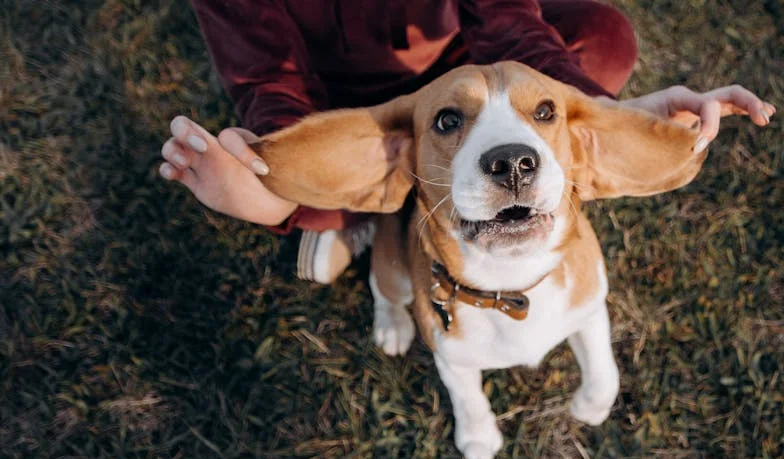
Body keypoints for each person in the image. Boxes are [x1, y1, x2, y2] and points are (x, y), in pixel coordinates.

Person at [159, 0, 775, 283]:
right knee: (297, 158)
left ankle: (527, 159)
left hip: (474, 71)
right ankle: (348, 219)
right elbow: (271, 84)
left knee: (604, 35)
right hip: (343, 100)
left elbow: (510, 24)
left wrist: (609, 115)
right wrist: (270, 198)